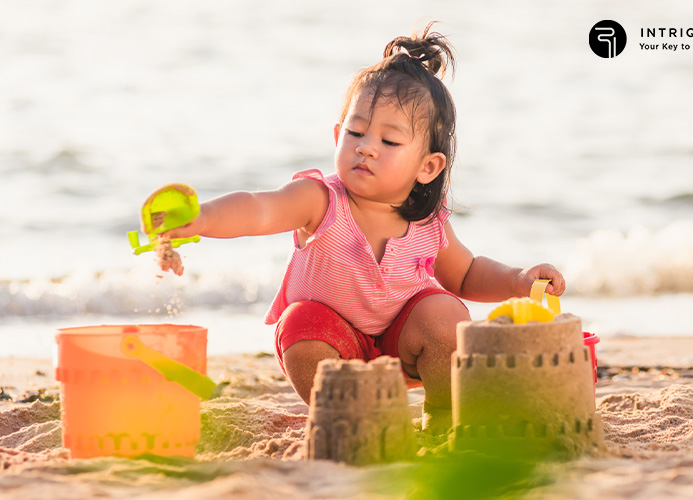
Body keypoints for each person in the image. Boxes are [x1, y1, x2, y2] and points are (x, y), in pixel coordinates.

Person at [152, 23, 565, 432]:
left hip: (402, 345)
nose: (366, 146)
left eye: (389, 141)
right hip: (330, 349)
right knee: (299, 322)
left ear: (428, 167)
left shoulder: (427, 220)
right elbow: (260, 209)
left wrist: (517, 279)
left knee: (447, 314)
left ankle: (444, 417)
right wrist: (201, 218)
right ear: (337, 136)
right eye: (355, 132)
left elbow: (466, 274)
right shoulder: (319, 200)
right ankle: (348, 421)